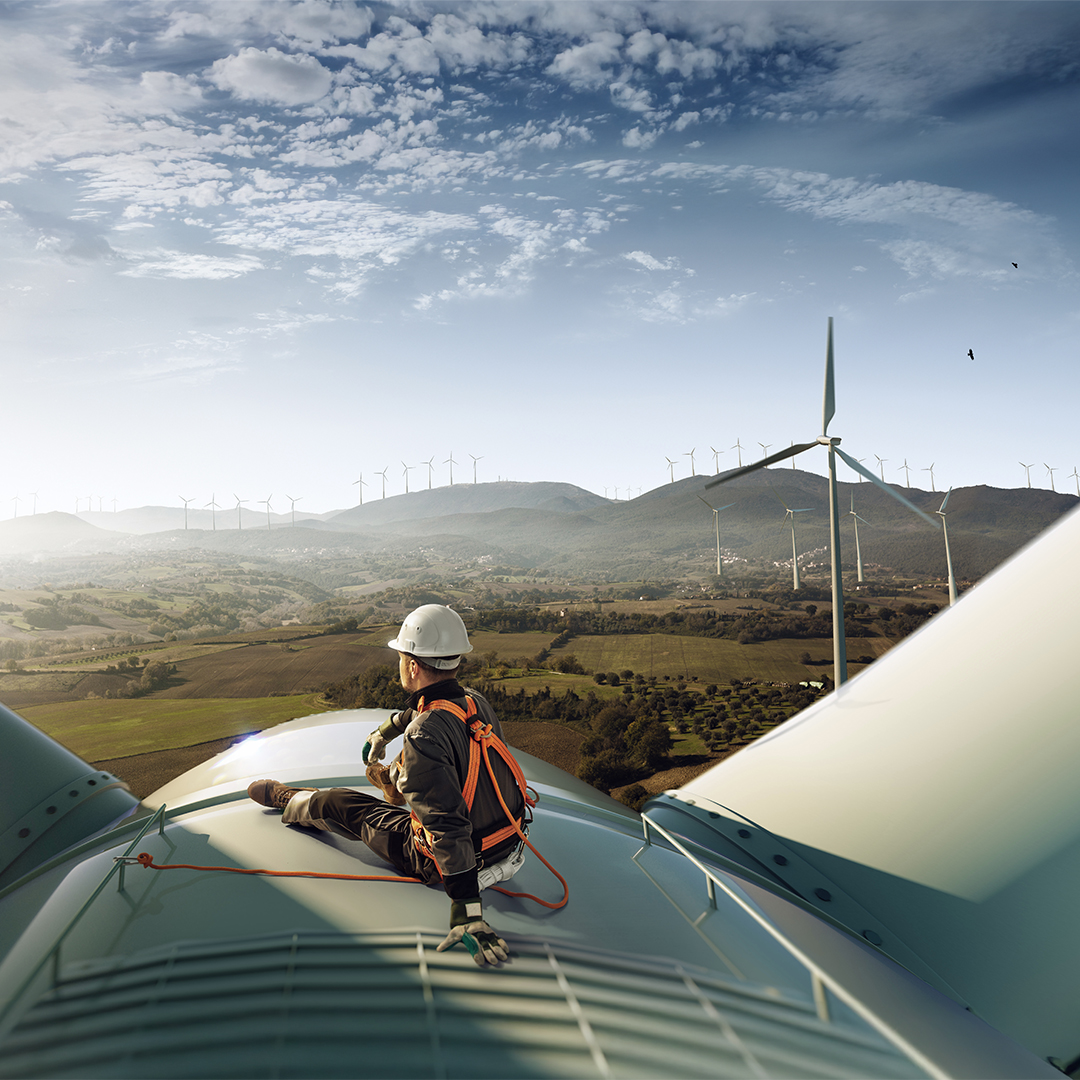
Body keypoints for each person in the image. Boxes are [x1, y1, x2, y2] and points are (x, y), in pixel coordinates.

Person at [247, 604, 526, 967]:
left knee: (339, 802)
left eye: (401, 657)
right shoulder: (475, 701)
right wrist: (386, 730)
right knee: (416, 774)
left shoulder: (424, 735)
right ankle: (395, 781)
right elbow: (428, 710)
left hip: (454, 862)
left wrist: (468, 911)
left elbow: (447, 826)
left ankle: (292, 800)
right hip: (510, 844)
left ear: (412, 665)